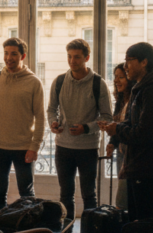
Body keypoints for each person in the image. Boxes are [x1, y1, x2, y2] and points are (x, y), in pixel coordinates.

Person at [101, 42, 153, 221]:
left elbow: (144, 134)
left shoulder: (152, 91)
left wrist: (117, 129)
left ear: (144, 62)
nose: (125, 67)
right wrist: (117, 130)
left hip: (147, 168)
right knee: (136, 221)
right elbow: (133, 125)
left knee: (146, 223)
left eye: (129, 61)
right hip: (138, 166)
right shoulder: (141, 89)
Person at [46, 39, 113, 222]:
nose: (72, 61)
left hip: (88, 148)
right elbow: (51, 109)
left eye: (77, 57)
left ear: (87, 58)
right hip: (63, 147)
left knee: (89, 195)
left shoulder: (99, 83)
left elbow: (107, 117)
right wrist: (53, 123)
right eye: (69, 56)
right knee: (65, 195)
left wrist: (86, 128)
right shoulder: (59, 81)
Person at [0, 37, 46, 214]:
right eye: (6, 53)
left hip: (24, 147)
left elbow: (40, 117)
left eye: (14, 54)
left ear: (22, 56)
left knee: (27, 194)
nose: (9, 58)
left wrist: (34, 146)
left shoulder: (34, 82)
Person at [103, 63, 132, 210]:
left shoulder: (135, 99)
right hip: (121, 152)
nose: (116, 81)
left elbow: (127, 127)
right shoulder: (121, 99)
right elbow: (117, 124)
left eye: (121, 77)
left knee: (123, 199)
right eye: (115, 77)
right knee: (123, 197)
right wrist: (112, 144)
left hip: (131, 154)